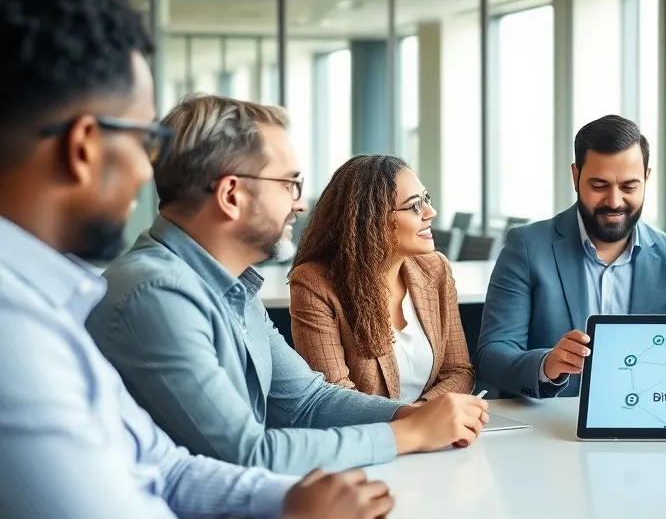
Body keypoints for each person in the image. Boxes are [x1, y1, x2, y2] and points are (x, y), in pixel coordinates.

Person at [0, 0, 391, 519]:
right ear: (85, 146)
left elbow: (166, 466)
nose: (156, 172)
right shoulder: (14, 331)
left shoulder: (49, 298)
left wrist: (299, 499)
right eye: (146, 143)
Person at [86, 93, 488, 475]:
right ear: (231, 194)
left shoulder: (233, 287)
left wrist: (412, 416)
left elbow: (307, 401)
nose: (300, 203)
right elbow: (247, 453)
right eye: (289, 184)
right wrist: (409, 434)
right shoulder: (157, 293)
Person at [476, 114, 666, 398]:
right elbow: (492, 354)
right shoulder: (527, 247)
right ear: (575, 176)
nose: (614, 201)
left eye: (629, 186)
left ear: (646, 178)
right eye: (599, 185)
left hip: (646, 424)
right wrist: (546, 365)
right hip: (549, 431)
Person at [289, 154, 473, 402]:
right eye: (414, 205)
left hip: (436, 435)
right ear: (370, 219)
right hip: (367, 437)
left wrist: (424, 414)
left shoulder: (436, 269)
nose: (431, 212)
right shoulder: (315, 284)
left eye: (426, 199)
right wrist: (413, 420)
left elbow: (459, 372)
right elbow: (334, 398)